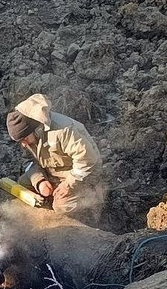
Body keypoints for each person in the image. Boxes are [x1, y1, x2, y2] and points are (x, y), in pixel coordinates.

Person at [6, 93, 104, 221]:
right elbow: (28, 161)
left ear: (35, 129)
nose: (23, 145)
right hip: (53, 168)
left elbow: (87, 160)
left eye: (24, 139)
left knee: (62, 206)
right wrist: (40, 181)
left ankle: (93, 195)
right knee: (23, 184)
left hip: (82, 173)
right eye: (20, 141)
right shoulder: (27, 137)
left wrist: (68, 184)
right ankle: (53, 193)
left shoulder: (64, 131)